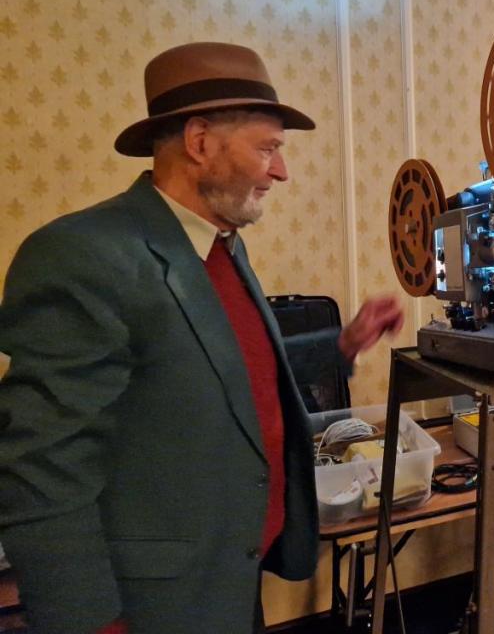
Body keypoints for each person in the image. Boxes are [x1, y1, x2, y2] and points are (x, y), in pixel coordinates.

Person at [0, 42, 404, 634]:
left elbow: (214, 366)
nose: (282, 171)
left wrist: (339, 345)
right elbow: (40, 473)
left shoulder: (218, 244)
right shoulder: (84, 255)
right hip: (153, 604)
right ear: (199, 142)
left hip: (231, 574)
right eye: (268, 149)